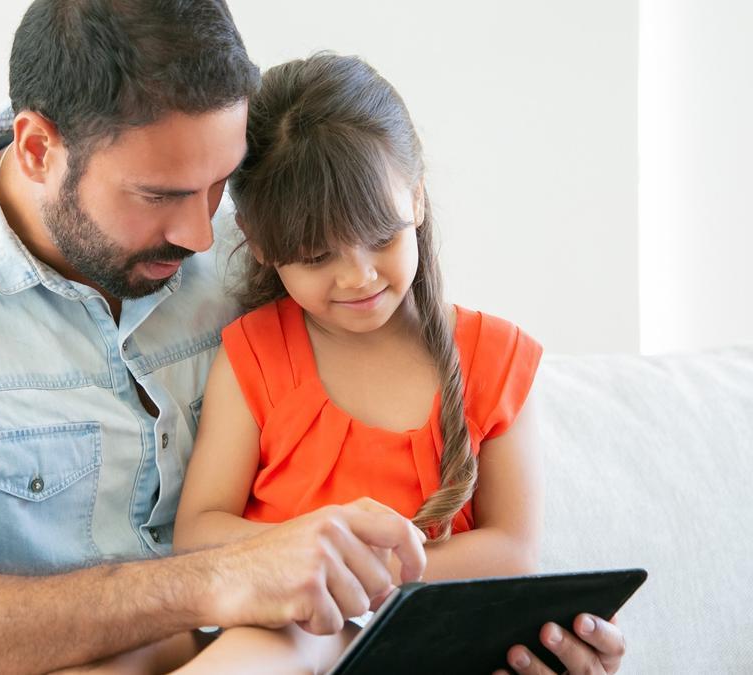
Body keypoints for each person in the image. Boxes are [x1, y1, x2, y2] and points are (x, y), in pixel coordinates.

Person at [0, 2, 629, 674]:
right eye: (158, 194)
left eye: (222, 183)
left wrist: (490, 638)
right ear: (39, 149)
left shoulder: (278, 251)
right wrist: (219, 577)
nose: (201, 236)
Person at [166, 51, 570, 673]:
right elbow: (197, 532)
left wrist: (369, 580)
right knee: (284, 642)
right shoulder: (257, 353)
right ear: (263, 242)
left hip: (428, 643)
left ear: (416, 199)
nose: (357, 277)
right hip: (291, 629)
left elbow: (514, 551)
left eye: (380, 237)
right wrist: (311, 561)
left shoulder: (494, 356)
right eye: (318, 256)